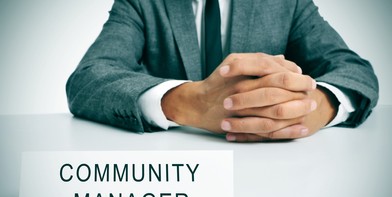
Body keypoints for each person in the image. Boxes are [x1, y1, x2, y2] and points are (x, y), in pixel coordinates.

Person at [66, 0, 378, 142]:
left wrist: (311, 108)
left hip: (275, 179)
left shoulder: (286, 4)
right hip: (174, 176)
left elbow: (354, 70)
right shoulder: (142, 4)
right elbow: (87, 79)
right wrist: (188, 101)